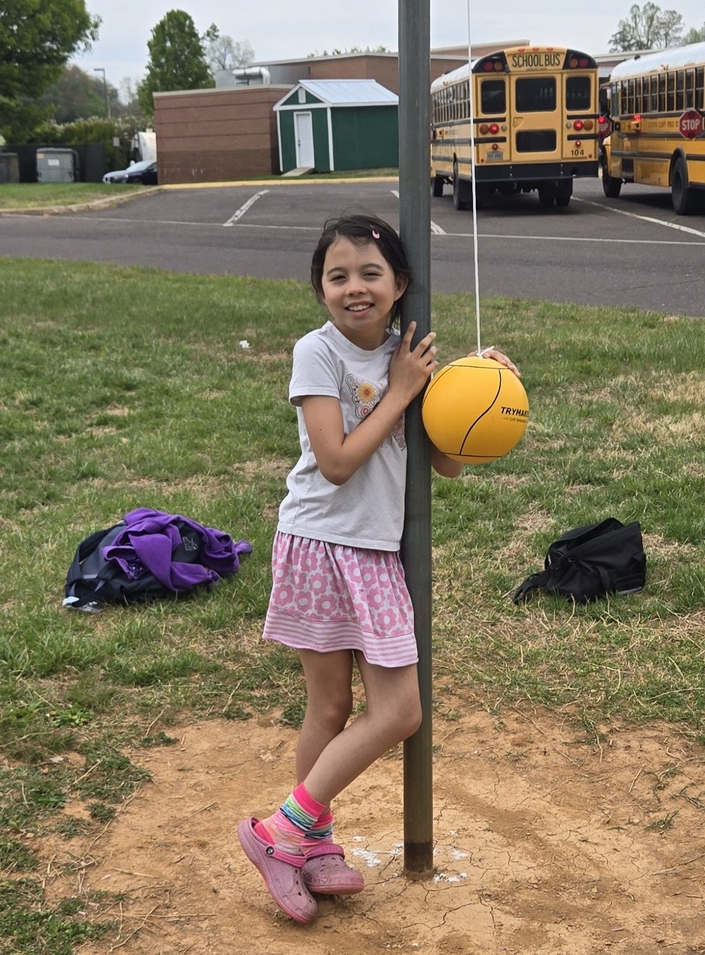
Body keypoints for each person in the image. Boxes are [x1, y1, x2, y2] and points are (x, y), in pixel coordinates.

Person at [238, 213, 520, 923]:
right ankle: (296, 835)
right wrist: (399, 391)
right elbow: (333, 463)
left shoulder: (411, 356)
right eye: (338, 276)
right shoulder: (319, 352)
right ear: (319, 287)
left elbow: (448, 463)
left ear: (400, 284)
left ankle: (295, 833)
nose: (354, 288)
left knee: (393, 709)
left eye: (371, 274)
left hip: (372, 555)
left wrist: (477, 388)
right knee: (339, 708)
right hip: (319, 544)